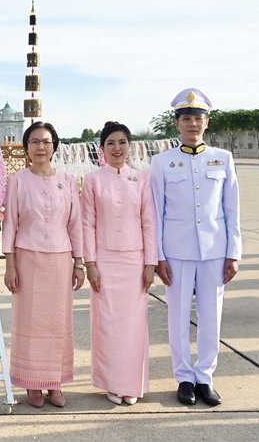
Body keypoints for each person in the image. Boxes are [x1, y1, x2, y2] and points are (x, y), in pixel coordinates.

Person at [149, 88, 241, 407]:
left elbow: (232, 210)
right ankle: (184, 377)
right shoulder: (162, 163)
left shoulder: (223, 159)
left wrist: (234, 253)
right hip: (176, 252)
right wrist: (158, 255)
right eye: (186, 118)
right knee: (177, 316)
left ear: (207, 122)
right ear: (176, 124)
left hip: (215, 251)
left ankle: (205, 376)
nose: (192, 124)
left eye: (197, 118)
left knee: (211, 316)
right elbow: (155, 214)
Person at [2, 121, 85, 408]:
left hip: (60, 259)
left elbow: (75, 224)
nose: (40, 147)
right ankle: (32, 384)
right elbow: (10, 224)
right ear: (26, 148)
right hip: (27, 258)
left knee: (56, 324)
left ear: (54, 147)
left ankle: (55, 382)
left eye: (46, 142)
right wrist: (10, 265)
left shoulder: (68, 180)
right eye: (34, 142)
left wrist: (79, 263)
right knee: (30, 322)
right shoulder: (17, 181)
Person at [81, 121, 157, 406]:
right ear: (102, 148)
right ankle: (112, 384)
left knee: (134, 327)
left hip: (135, 261)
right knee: (108, 326)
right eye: (110, 143)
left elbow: (149, 223)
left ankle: (132, 385)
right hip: (105, 261)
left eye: (122, 142)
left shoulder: (141, 179)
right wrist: (90, 263)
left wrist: (150, 262)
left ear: (130, 146)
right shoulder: (92, 180)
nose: (117, 148)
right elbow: (87, 224)